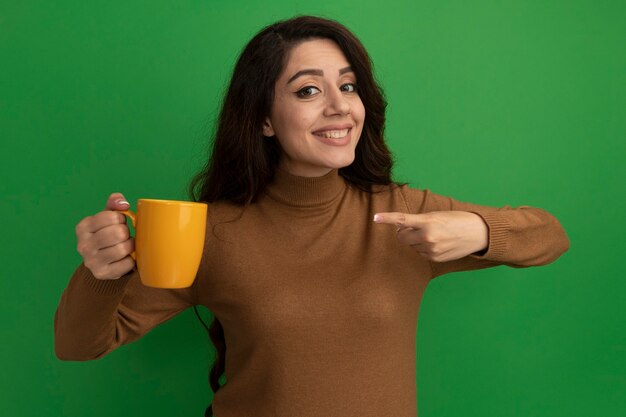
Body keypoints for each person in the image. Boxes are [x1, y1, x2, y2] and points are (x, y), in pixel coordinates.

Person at [54, 15, 570, 417]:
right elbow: (80, 345)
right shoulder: (212, 231)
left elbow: (550, 234)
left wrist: (480, 231)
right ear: (263, 119)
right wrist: (103, 273)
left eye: (348, 86)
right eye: (308, 90)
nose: (340, 107)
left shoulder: (401, 213)